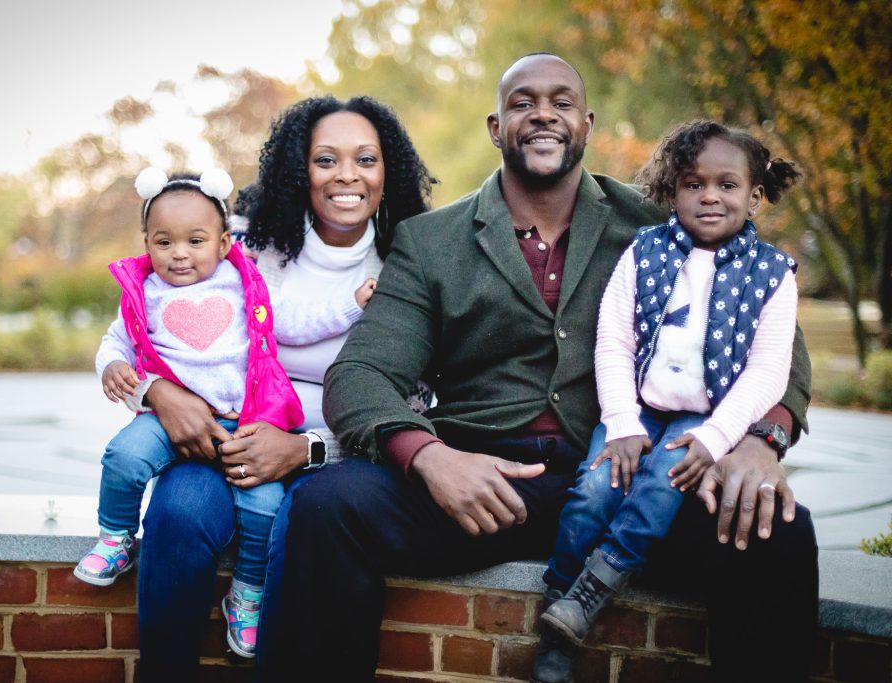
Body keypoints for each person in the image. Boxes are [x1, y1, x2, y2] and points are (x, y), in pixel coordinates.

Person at [268, 53, 817, 683]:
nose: (542, 114)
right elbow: (359, 374)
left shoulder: (660, 224)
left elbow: (779, 349)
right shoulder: (430, 242)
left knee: (777, 528)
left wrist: (762, 440)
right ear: (496, 129)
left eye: (560, 102)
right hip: (484, 484)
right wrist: (430, 457)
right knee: (326, 505)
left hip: (633, 477)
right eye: (522, 102)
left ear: (586, 123)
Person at [133, 96, 433, 681]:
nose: (346, 175)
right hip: (228, 439)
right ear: (300, 169)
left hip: (332, 458)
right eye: (326, 159)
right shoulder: (242, 247)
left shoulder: (412, 261)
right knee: (178, 507)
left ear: (386, 171)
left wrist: (307, 449)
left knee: (301, 530)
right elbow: (142, 325)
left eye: (365, 159)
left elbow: (418, 406)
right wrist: (157, 394)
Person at [540, 120, 803, 647]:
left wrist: (716, 437)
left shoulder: (773, 274)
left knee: (661, 487)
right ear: (672, 190)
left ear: (753, 198)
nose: (709, 196)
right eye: (693, 183)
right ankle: (557, 606)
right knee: (593, 489)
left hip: (704, 418)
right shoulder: (643, 253)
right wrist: (619, 422)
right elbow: (613, 343)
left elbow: (769, 371)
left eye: (726, 186)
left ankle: (595, 587)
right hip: (636, 411)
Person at [76, 167, 304, 658]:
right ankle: (116, 537)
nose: (179, 253)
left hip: (243, 423)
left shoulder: (245, 285)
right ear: (147, 243)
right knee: (123, 455)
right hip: (165, 416)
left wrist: (353, 308)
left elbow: (296, 322)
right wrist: (115, 366)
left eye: (195, 241)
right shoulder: (145, 292)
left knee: (265, 507)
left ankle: (246, 594)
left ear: (223, 243)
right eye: (164, 242)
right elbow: (113, 342)